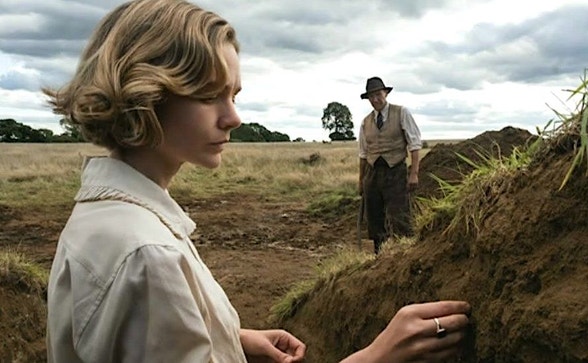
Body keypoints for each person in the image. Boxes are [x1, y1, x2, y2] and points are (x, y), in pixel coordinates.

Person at [44, 1, 471, 362]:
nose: (234, 117)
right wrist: (374, 357)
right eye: (209, 95)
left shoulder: (101, 217)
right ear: (146, 92)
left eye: (234, 95)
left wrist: (230, 339)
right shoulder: (146, 256)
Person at [358, 76, 423, 254]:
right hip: (372, 174)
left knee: (400, 215)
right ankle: (380, 255)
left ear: (385, 93)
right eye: (371, 97)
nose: (375, 100)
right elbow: (363, 154)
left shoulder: (401, 113)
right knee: (375, 218)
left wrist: (414, 173)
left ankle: (406, 253)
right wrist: (361, 181)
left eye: (378, 94)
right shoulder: (366, 122)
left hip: (395, 171)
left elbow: (415, 144)